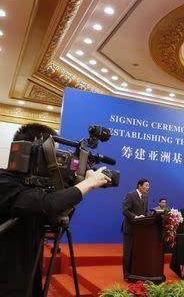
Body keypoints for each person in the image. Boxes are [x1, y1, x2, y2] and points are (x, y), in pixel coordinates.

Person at [0, 123, 110, 297]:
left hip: (29, 275)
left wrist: (74, 187)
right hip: (7, 277)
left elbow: (55, 221)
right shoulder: (4, 182)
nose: (53, 161)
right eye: (49, 153)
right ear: (28, 150)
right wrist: (87, 183)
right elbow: (46, 204)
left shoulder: (34, 186)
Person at [122, 178, 150, 281]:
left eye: (148, 185)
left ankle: (135, 272)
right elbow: (125, 210)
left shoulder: (145, 197)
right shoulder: (130, 195)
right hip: (130, 228)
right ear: (139, 185)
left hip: (140, 230)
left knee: (137, 252)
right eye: (146, 185)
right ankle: (126, 274)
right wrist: (135, 217)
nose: (148, 187)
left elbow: (145, 213)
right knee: (128, 252)